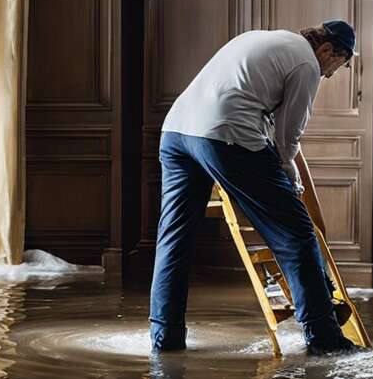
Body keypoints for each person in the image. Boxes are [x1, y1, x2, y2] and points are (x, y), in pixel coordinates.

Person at [149, 20, 358, 356]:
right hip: (223, 136)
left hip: (175, 133)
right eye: (339, 64)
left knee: (173, 240)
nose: (333, 73)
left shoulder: (262, 39)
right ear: (327, 50)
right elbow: (288, 137)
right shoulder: (307, 63)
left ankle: (165, 338)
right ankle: (325, 339)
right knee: (297, 235)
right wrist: (289, 176)